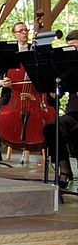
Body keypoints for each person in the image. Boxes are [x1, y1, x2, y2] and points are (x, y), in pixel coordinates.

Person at [0, 21, 31, 160]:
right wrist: (1, 81)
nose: (24, 33)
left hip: (32, 92)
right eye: (20, 31)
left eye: (26, 30)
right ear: (14, 34)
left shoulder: (34, 49)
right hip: (12, 92)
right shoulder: (8, 52)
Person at [43, 29, 78, 188]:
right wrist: (52, 93)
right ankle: (64, 170)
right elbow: (55, 102)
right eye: (71, 48)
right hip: (74, 114)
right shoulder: (68, 68)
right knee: (51, 128)